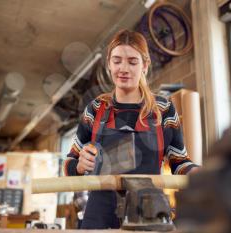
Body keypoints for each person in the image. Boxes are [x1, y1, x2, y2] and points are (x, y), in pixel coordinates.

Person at [64, 30, 199, 229]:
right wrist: (80, 165)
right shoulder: (96, 109)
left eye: (132, 62)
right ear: (109, 64)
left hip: (149, 212)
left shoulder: (163, 109)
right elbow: (68, 165)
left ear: (145, 65)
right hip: (100, 216)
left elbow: (180, 163)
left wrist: (199, 173)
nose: (123, 69)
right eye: (117, 61)